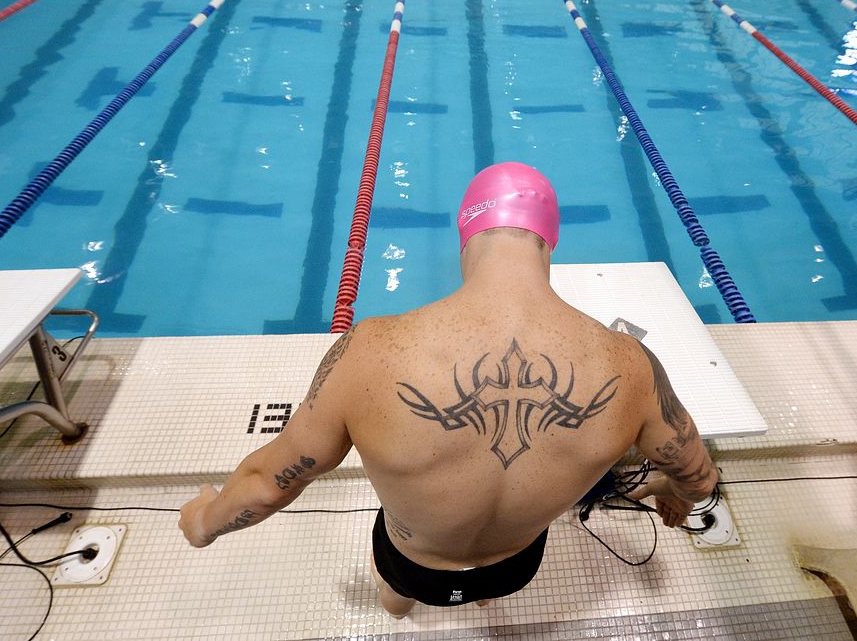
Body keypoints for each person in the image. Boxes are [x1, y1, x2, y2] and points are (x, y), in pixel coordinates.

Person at [178, 162, 719, 617]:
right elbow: (699, 477)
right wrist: (670, 492)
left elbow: (270, 484)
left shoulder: (372, 351)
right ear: (549, 240)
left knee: (396, 600)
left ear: (466, 232)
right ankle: (482, 600)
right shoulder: (631, 366)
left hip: (415, 563)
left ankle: (401, 608)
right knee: (490, 591)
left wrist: (203, 523)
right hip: (515, 563)